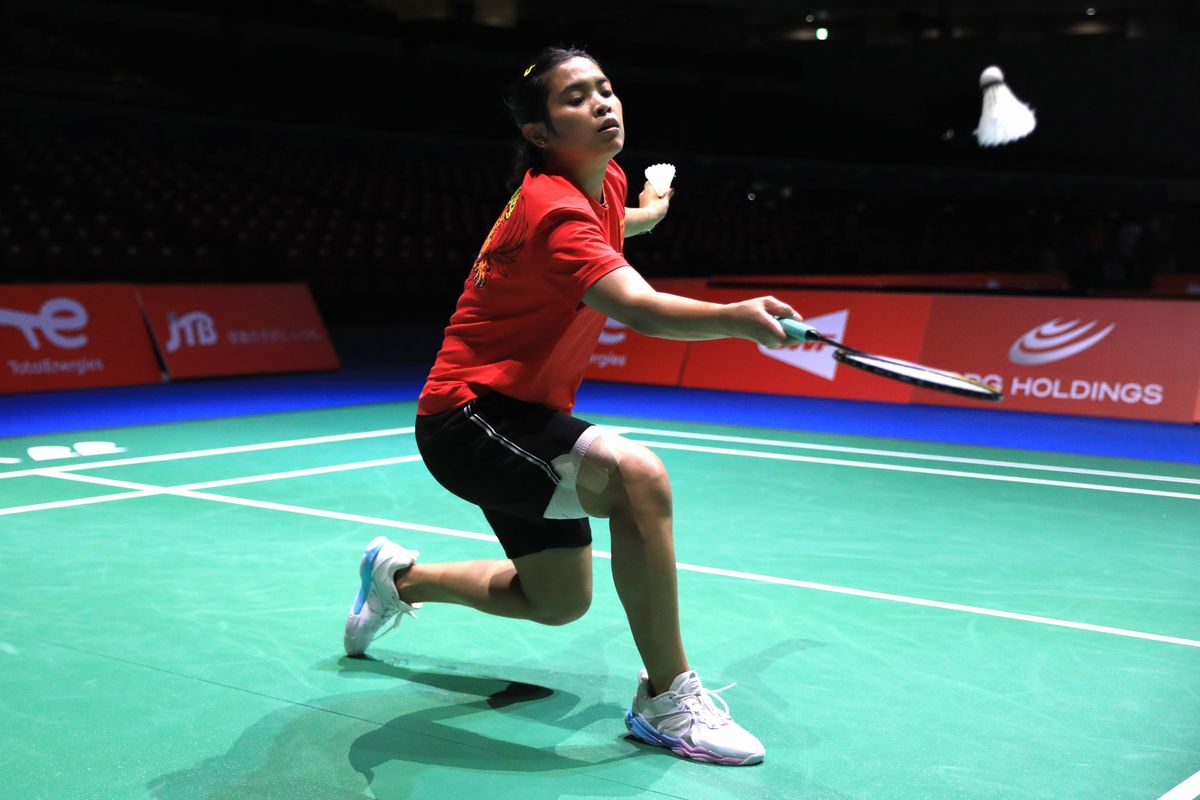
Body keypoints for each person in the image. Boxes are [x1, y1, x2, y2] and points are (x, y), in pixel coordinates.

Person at [344, 45, 801, 766]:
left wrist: (653, 208)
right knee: (639, 477)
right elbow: (639, 308)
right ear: (539, 133)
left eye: (605, 88)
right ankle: (666, 700)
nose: (602, 103)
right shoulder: (553, 212)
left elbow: (620, 223)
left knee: (557, 602)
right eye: (577, 97)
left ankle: (397, 579)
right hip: (470, 418)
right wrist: (737, 318)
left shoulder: (604, 182)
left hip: (516, 418)